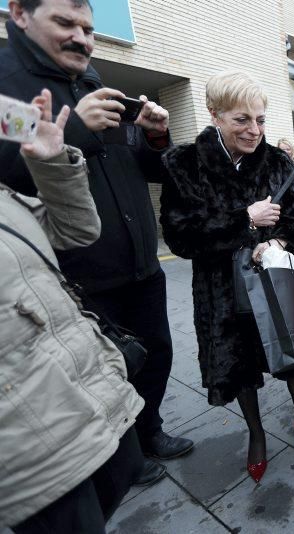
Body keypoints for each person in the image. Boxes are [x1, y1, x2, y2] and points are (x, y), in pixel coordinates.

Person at [0, 0, 192, 486]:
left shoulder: (96, 81)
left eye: (87, 27)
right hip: (75, 277)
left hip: (141, 265)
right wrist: (78, 129)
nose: (82, 37)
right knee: (103, 371)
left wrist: (155, 137)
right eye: (65, 23)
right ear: (20, 14)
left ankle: (149, 431)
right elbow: (10, 172)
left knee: (158, 354)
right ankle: (116, 457)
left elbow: (145, 169)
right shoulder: (5, 91)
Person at [160, 71, 294, 484]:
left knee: (292, 355)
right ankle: (256, 434)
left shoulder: (277, 163)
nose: (254, 130)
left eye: (260, 119)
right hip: (221, 290)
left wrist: (278, 243)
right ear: (214, 114)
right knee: (238, 365)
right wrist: (244, 221)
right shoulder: (183, 163)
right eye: (242, 120)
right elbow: (179, 236)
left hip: (273, 282)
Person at [1, 89, 144, 533]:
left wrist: (51, 160)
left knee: (124, 473)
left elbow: (78, 230)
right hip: (27, 439)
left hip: (81, 391)